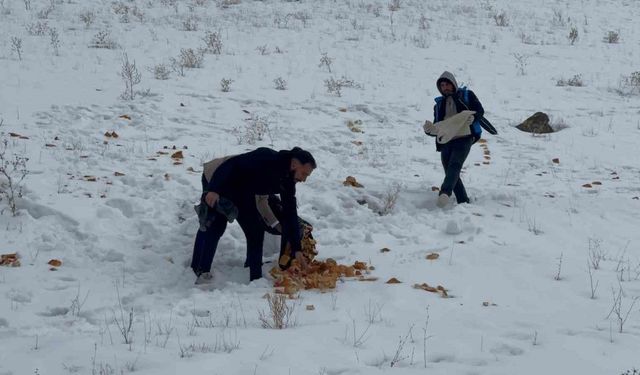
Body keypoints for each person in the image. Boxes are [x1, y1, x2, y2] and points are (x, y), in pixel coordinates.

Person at [191, 147, 316, 284]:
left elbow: (290, 213)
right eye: (304, 174)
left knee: (255, 230)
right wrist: (214, 189)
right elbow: (231, 164)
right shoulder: (267, 157)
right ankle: (199, 270)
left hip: (244, 190)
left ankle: (255, 277)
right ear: (294, 164)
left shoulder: (288, 181)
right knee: (215, 225)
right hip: (219, 178)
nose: (304, 179)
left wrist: (297, 248)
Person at [423, 71, 486, 208]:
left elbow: (480, 111)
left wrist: (473, 117)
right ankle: (463, 201)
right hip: (446, 140)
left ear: (453, 84)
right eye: (442, 85)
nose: (445, 87)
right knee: (450, 171)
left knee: (455, 165)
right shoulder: (438, 105)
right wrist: (429, 131)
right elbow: (438, 127)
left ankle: (445, 193)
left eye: (447, 84)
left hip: (465, 137)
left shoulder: (467, 95)